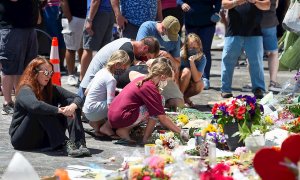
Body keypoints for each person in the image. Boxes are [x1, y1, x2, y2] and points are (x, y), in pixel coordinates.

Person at [9, 57, 90, 157]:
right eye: (46, 72)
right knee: (40, 108)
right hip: (23, 140)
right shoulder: (25, 90)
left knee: (70, 102)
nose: (49, 76)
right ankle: (63, 142)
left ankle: (78, 142)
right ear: (34, 72)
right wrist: (59, 110)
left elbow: (77, 97)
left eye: (51, 73)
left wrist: (72, 106)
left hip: (44, 138)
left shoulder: (52, 88)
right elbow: (35, 106)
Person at [102, 58, 189, 144]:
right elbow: (162, 117)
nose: (166, 83)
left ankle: (124, 130)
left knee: (156, 105)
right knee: (159, 105)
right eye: (167, 81)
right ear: (163, 77)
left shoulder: (143, 79)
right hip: (121, 117)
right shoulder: (150, 87)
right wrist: (180, 131)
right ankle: (144, 137)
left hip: (113, 116)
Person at [78, 37, 160, 99]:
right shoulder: (127, 52)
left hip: (89, 84)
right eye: (146, 55)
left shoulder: (127, 41)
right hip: (90, 90)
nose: (144, 57)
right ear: (145, 48)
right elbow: (121, 78)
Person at [220, 0, 270, 99]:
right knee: (228, 61)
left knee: (256, 62)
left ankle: (258, 88)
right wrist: (236, 2)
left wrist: (255, 1)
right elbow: (224, 4)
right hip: (233, 31)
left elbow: (267, 5)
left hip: (254, 32)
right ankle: (225, 89)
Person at [136, 16, 184, 110]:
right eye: (169, 35)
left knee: (179, 105)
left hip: (163, 75)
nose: (170, 39)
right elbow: (139, 52)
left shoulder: (176, 38)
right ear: (163, 28)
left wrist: (168, 56)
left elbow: (177, 64)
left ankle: (165, 102)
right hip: (145, 70)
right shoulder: (147, 27)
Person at [0, 0, 39, 115]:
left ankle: (20, 100)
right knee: (10, 68)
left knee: (25, 68)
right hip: (12, 27)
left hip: (28, 26)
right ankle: (7, 103)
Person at [83, 50, 130, 137]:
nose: (124, 69)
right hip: (94, 112)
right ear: (117, 64)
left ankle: (96, 124)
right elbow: (110, 104)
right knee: (122, 101)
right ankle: (106, 127)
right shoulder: (111, 80)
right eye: (124, 67)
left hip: (87, 110)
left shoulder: (101, 72)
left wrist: (117, 90)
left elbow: (86, 92)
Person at [178, 0, 222, 90]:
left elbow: (218, 2)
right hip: (191, 23)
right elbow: (178, 0)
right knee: (189, 51)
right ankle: (189, 78)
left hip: (208, 23)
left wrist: (216, 12)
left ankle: (205, 78)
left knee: (205, 50)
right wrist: (182, 4)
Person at [80, 0, 115, 84]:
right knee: (104, 50)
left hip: (98, 14)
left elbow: (95, 1)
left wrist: (89, 20)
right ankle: (102, 80)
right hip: (109, 13)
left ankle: (82, 81)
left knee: (88, 48)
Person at [60, 0, 86, 86]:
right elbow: (63, 1)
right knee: (71, 48)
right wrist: (70, 18)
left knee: (83, 47)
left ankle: (82, 69)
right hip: (72, 18)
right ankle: (70, 74)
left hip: (84, 17)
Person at [179, 33, 206, 107]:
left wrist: (192, 62)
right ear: (186, 47)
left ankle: (185, 97)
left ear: (199, 47)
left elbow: (197, 79)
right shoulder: (181, 55)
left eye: (195, 48)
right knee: (187, 71)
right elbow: (175, 74)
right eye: (190, 47)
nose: (192, 50)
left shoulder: (202, 58)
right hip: (180, 81)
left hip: (191, 82)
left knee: (200, 84)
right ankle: (179, 98)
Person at [43, 0, 66, 73]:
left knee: (53, 39)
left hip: (52, 9)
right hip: (61, 7)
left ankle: (56, 66)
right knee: (60, 38)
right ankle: (60, 66)